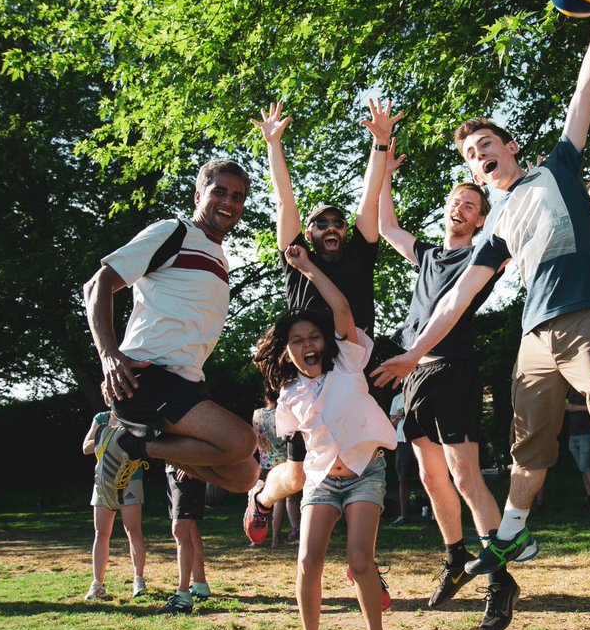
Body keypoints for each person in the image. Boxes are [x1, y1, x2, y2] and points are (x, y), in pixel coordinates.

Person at [373, 5, 590, 630]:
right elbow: (457, 298)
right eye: (469, 154)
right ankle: (509, 537)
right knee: (527, 446)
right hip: (534, 337)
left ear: (510, 147)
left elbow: (583, 92)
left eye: (484, 144)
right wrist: (411, 356)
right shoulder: (492, 227)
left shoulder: (558, 168)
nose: (478, 155)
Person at [375, 130, 517, 630]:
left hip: (453, 368)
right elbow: (385, 224)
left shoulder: (484, 252)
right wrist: (386, 174)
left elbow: (507, 221)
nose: (460, 206)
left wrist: (499, 184)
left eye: (470, 202)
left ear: (480, 217)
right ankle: (456, 559)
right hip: (414, 373)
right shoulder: (429, 255)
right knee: (432, 479)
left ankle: (500, 579)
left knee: (464, 474)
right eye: (455, 200)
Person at [244, 100, 395, 530]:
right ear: (308, 234)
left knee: (365, 460)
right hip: (308, 375)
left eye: (337, 222)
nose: (331, 227)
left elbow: (369, 196)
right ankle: (262, 495)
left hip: (352, 366)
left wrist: (380, 143)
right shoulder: (296, 259)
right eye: (321, 223)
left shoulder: (362, 253)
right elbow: (283, 198)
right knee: (296, 473)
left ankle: (365, 558)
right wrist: (274, 144)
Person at [253, 243, 395, 630]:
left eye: (313, 336)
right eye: (297, 341)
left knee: (358, 561)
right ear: (288, 352)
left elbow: (340, 305)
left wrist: (307, 266)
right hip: (321, 482)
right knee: (307, 561)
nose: (308, 344)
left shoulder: (350, 362)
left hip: (364, 474)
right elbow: (298, 453)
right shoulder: (289, 396)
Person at [83, 160, 260, 510]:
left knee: (245, 476)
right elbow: (97, 284)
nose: (229, 202)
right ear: (199, 195)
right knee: (241, 442)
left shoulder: (219, 258)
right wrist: (108, 355)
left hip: (186, 382)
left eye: (238, 196)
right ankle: (125, 443)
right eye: (219, 192)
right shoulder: (173, 232)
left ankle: (131, 442)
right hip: (148, 375)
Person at [81, 411, 147, 601]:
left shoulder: (135, 415)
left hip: (130, 477)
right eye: (109, 394)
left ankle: (138, 579)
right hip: (103, 479)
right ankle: (97, 584)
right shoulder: (100, 419)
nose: (113, 397)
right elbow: (85, 447)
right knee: (101, 532)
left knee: (133, 530)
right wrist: (108, 436)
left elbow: (145, 444)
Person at [248, 392, 300, 547]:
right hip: (282, 462)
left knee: (260, 499)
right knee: (281, 501)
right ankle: (276, 539)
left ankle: (254, 538)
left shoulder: (257, 414)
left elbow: (256, 436)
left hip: (263, 461)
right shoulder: (282, 414)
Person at [161, 465, 211, 613]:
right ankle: (199, 584)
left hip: (186, 471)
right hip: (175, 469)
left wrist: (190, 465)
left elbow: (204, 441)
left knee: (180, 528)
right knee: (189, 526)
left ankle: (183, 595)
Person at [563, 388, 590, 511]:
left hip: (587, 434)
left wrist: (577, 408)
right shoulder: (569, 391)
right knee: (583, 469)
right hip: (573, 434)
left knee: (586, 467)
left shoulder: (586, 389)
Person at [387, 392, 419, 526]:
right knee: (403, 479)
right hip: (402, 442)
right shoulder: (397, 398)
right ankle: (403, 516)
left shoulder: (420, 392)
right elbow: (391, 423)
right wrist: (398, 417)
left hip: (421, 440)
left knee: (430, 477)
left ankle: (434, 517)